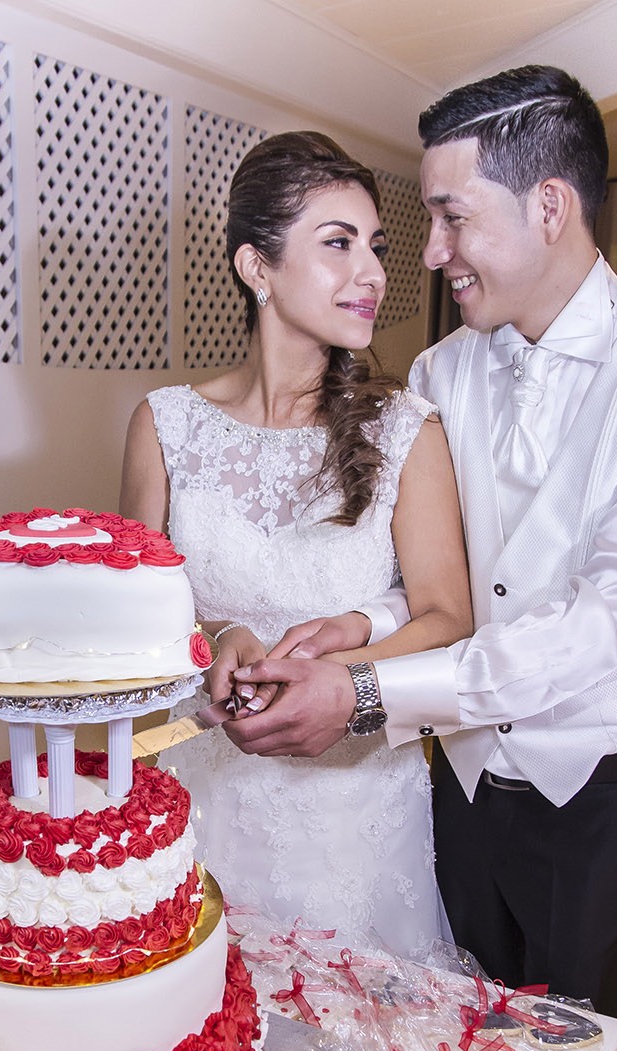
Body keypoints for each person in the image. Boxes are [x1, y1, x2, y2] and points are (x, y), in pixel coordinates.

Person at [224, 68, 617, 1021]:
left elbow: (607, 623)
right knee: (450, 1041)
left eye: (451, 217)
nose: (430, 254)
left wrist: (369, 693)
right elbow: (449, 582)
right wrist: (360, 622)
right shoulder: (441, 370)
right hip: (457, 782)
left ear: (549, 205)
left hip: (592, 794)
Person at [120, 131, 472, 957]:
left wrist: (336, 674)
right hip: (206, 802)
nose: (375, 273)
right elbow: (133, 623)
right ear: (257, 267)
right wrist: (216, 638)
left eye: (376, 247)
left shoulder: (406, 432)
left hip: (354, 823)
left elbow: (450, 617)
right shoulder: (164, 426)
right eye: (338, 244)